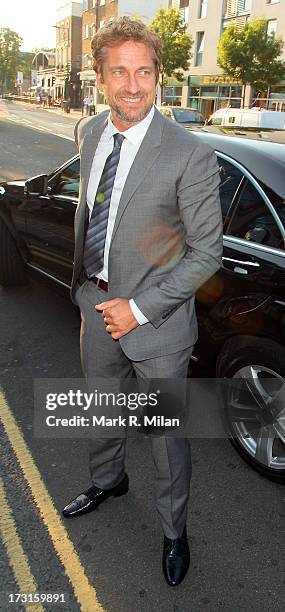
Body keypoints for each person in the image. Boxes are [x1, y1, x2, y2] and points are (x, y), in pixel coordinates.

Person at [62, 17, 223, 587]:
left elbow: (207, 254)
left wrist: (141, 307)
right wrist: (87, 289)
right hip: (95, 307)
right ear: (100, 77)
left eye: (145, 71)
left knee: (164, 439)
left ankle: (174, 532)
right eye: (120, 72)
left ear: (158, 74)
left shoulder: (188, 154)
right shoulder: (88, 134)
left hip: (156, 327)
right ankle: (108, 480)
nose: (133, 85)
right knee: (101, 410)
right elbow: (90, 216)